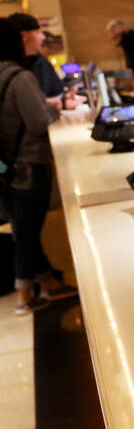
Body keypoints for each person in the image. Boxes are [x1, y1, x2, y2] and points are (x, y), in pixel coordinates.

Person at [0, 19, 77, 315]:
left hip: (5, 169)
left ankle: (48, 283)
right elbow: (38, 121)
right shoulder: (20, 77)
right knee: (27, 232)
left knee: (23, 227)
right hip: (30, 165)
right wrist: (54, 107)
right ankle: (24, 295)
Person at [7, 12, 77, 111]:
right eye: (38, 32)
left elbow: (56, 92)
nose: (43, 37)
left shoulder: (42, 61)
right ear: (24, 36)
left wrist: (65, 100)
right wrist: (45, 103)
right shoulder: (7, 70)